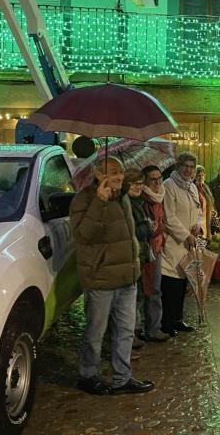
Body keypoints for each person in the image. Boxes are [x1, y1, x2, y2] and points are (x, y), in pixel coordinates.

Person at [71, 157, 154, 395]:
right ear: (98, 174)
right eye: (112, 172)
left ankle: (122, 378)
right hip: (101, 279)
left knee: (126, 331)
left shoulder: (124, 197)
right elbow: (84, 235)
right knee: (95, 332)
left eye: (120, 172)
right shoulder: (84, 199)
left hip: (127, 278)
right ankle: (87, 375)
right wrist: (100, 202)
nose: (118, 176)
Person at [161, 152, 201, 337]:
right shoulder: (169, 186)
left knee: (183, 283)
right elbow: (169, 217)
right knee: (171, 285)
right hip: (174, 243)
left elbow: (197, 210)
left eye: (192, 167)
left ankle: (178, 318)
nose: (188, 170)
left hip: (188, 243)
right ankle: (166, 322)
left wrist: (197, 226)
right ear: (178, 166)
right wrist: (185, 235)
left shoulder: (191, 187)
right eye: (185, 166)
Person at [123, 169, 152, 346]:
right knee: (132, 296)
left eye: (141, 183)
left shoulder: (140, 202)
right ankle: (130, 333)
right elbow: (131, 231)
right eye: (134, 183)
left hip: (141, 253)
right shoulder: (126, 203)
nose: (138, 187)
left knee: (140, 293)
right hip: (132, 255)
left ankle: (136, 328)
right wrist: (148, 226)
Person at [140, 164, 167, 343]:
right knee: (140, 292)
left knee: (155, 289)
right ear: (145, 181)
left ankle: (154, 328)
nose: (157, 182)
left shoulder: (160, 197)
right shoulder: (141, 200)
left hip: (156, 248)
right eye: (153, 179)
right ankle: (139, 329)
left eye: (159, 178)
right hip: (143, 250)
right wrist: (151, 229)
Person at [194, 165, 216, 237]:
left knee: (205, 242)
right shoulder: (194, 188)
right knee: (200, 244)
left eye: (202, 175)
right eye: (198, 175)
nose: (201, 177)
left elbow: (210, 200)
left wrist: (213, 209)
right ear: (195, 176)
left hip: (207, 219)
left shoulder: (205, 187)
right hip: (199, 221)